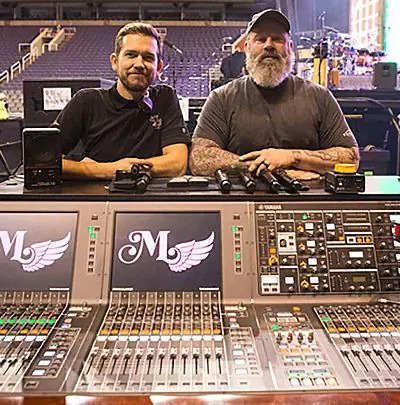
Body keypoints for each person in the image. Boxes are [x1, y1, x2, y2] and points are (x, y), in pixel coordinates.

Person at [190, 9, 359, 179]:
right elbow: (199, 158)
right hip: (243, 193)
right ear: (246, 48)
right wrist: (271, 170)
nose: (269, 45)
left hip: (306, 194)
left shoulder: (319, 97)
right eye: (260, 39)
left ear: (290, 48)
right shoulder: (222, 98)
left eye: (277, 39)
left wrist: (293, 157)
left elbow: (351, 158)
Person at [54, 22, 190, 180]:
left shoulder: (165, 98)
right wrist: (106, 170)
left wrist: (126, 170)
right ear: (114, 61)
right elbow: (43, 160)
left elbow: (177, 164)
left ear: (158, 67)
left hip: (150, 195)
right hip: (97, 195)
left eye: (148, 57)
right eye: (131, 55)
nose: (139, 64)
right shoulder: (86, 101)